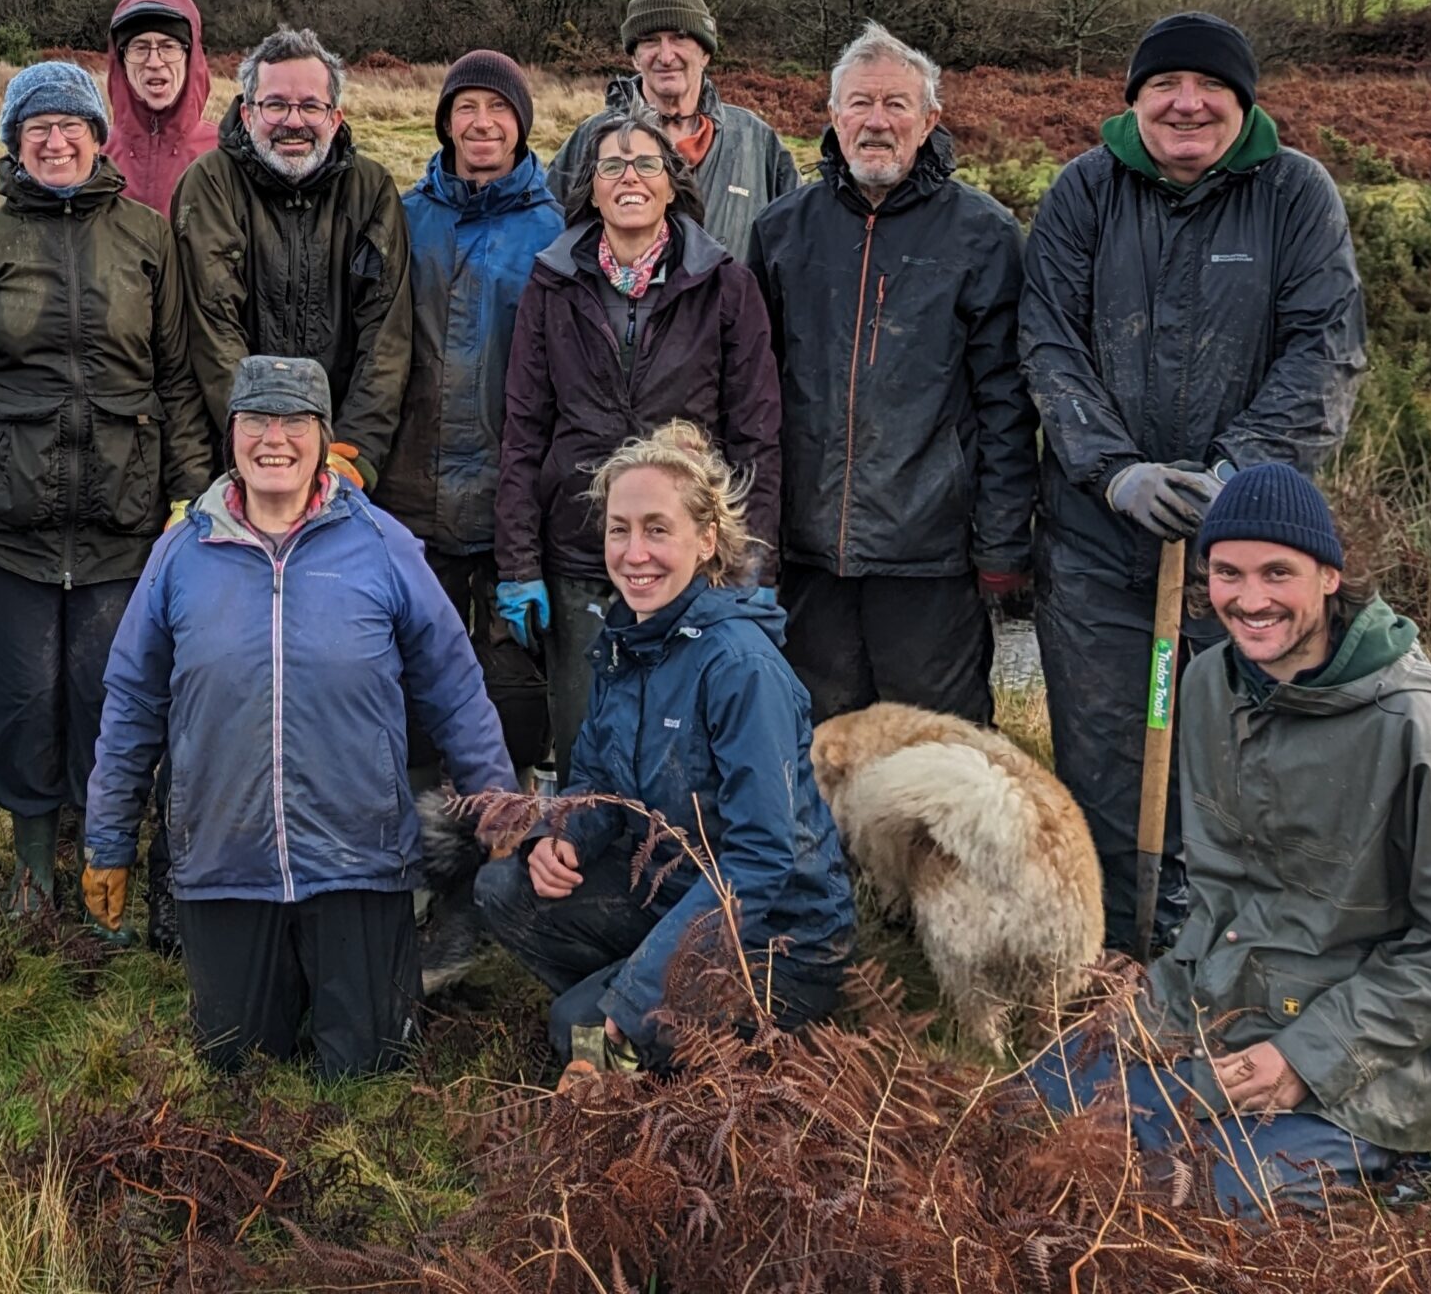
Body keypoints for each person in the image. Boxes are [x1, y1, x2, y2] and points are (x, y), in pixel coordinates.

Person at [1024, 464, 1431, 1218]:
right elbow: (1223, 896)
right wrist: (1161, 1007)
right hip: (1230, 1011)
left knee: (1189, 1205)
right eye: (1227, 573)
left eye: (1276, 572)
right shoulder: (1210, 683)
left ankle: (1401, 1155)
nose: (1249, 600)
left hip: (1370, 1054)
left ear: (1328, 575)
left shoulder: (1420, 735)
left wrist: (1305, 1059)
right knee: (1033, 1116)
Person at [1020, 10, 1367, 951]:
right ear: (1132, 103)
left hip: (1241, 554)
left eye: (1209, 87)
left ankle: (1219, 957)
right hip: (1097, 542)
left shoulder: (1296, 196)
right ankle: (1106, 955)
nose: (1186, 103)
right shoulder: (1084, 193)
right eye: (1162, 87)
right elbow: (1047, 344)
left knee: (1232, 751)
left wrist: (1234, 476)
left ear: (1242, 103)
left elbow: (1325, 352)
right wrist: (1115, 471)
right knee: (1101, 751)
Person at [81, 356, 517, 1078]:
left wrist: (497, 808)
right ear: (233, 434)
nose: (273, 439)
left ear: (324, 438)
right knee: (238, 1063)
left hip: (360, 860)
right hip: (225, 861)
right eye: (256, 420)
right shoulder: (182, 552)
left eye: (294, 422)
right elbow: (131, 700)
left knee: (371, 1067)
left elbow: (454, 684)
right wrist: (108, 839)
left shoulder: (381, 544)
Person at [0, 61, 210, 935]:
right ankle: (31, 862)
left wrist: (189, 495)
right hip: (6, 522)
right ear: (14, 143)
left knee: (109, 696)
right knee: (20, 698)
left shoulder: (147, 241)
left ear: (96, 134)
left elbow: (179, 380)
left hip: (123, 518)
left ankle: (100, 858)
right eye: (35, 128)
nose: (55, 139)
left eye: (69, 124)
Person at [476, 422, 855, 1070]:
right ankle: (642, 1016)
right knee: (505, 888)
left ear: (706, 540)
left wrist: (629, 1003)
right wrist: (559, 837)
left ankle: (667, 1024)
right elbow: (596, 777)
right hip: (673, 894)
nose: (634, 552)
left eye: (658, 529)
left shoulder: (741, 668)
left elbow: (763, 860)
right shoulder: (623, 642)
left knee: (579, 1028)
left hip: (774, 938)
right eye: (619, 529)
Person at [748, 23, 1034, 725]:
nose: (877, 121)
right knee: (820, 750)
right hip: (810, 552)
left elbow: (1007, 402)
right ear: (833, 116)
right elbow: (751, 397)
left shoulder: (984, 236)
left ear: (930, 119)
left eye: (897, 105)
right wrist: (755, 533)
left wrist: (1000, 540)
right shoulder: (781, 233)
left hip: (931, 557)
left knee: (937, 757)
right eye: (860, 103)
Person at [495, 105, 780, 782]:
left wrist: (752, 571)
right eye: (612, 164)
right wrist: (518, 562)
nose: (630, 176)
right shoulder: (551, 283)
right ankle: (591, 883)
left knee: (684, 762)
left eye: (647, 162)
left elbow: (757, 438)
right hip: (579, 555)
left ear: (672, 182)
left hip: (689, 566)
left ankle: (683, 885)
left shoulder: (726, 286)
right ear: (589, 186)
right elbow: (524, 430)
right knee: (590, 754)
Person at [385, 50, 566, 777]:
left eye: (499, 109)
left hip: (509, 506)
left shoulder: (555, 229)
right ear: (445, 122)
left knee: (514, 695)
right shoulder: (404, 218)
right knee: (409, 679)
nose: (482, 123)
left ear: (521, 126)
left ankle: (503, 844)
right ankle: (415, 849)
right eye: (467, 108)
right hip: (409, 497)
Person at [172, 26, 412, 491]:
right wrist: (263, 444)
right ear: (247, 112)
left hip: (340, 459)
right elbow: (212, 330)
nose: (293, 122)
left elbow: (386, 337)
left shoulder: (372, 190)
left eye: (310, 106)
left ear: (335, 117)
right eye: (275, 104)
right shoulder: (209, 185)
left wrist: (353, 453)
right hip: (234, 459)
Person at [547, 0, 798, 260]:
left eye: (679, 37)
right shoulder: (592, 138)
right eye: (651, 41)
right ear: (634, 58)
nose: (666, 56)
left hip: (731, 305)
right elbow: (548, 241)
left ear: (705, 53)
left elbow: (799, 247)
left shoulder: (756, 140)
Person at [102, 0, 215, 214]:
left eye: (168, 46)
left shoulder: (224, 155)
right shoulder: (93, 156)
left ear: (191, 58)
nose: (154, 62)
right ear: (121, 63)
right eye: (140, 48)